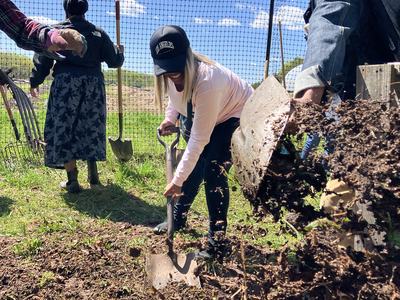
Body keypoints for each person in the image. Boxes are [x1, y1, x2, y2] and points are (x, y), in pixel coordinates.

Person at [150, 25, 254, 258]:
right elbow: (176, 96)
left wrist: (176, 181)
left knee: (213, 171)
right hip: (211, 114)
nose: (172, 74)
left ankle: (217, 243)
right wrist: (170, 118)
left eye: (176, 67)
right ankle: (177, 219)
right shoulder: (168, 73)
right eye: (166, 70)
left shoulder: (208, 80)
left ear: (187, 56)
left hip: (236, 113)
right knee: (195, 167)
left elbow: (198, 140)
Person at [29, 0, 124, 193]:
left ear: (66, 9)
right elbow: (114, 62)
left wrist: (34, 81)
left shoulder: (56, 31)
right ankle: (94, 176)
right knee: (90, 126)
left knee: (65, 127)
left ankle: (72, 181)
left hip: (66, 84)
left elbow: (42, 60)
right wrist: (120, 52)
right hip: (93, 84)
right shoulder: (98, 33)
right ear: (85, 10)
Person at [0, 0, 86, 57]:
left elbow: (21, 27)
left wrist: (47, 36)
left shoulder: (56, 29)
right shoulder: (98, 31)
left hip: (62, 81)